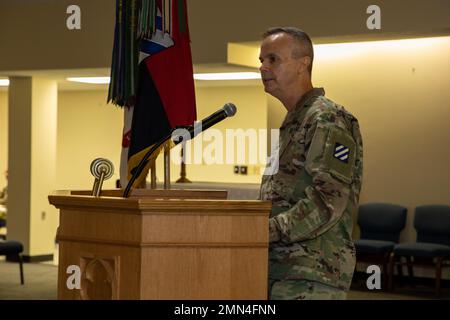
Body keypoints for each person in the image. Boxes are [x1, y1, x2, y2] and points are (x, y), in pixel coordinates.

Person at [258, 27, 363, 300]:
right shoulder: (291, 123)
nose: (263, 67)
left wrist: (263, 231)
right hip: (278, 270)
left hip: (311, 274)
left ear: (303, 64)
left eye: (272, 59)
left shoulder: (327, 118)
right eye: (261, 61)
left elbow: (327, 201)